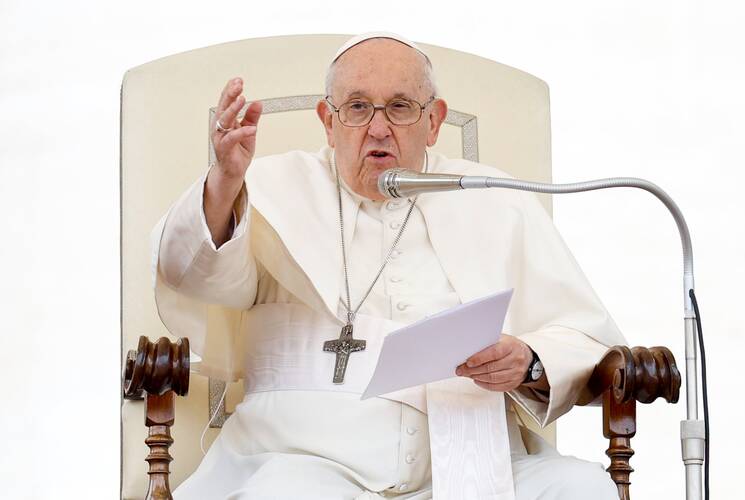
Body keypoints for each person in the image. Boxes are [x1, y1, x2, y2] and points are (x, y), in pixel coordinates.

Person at [152, 32, 623, 499]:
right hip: (298, 460)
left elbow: (584, 337)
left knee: (581, 488)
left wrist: (530, 362)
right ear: (328, 121)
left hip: (474, 461)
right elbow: (188, 272)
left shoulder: (494, 198)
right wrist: (223, 183)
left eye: (400, 107)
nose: (378, 128)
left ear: (434, 121)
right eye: (356, 107)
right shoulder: (270, 187)